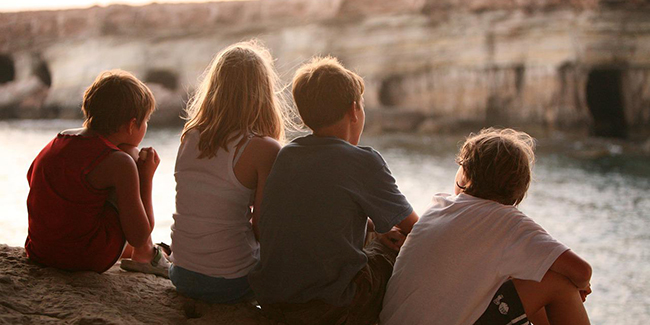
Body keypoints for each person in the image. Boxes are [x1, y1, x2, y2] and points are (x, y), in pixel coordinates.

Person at [248, 56, 419, 324]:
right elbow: (417, 228)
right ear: (354, 110)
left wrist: (375, 228)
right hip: (328, 310)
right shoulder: (363, 161)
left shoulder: (288, 155)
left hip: (272, 302)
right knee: (391, 252)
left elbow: (319, 213)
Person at [380, 128, 592, 325]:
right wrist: (579, 287)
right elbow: (582, 271)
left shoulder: (439, 206)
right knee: (559, 283)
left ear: (465, 173)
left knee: (523, 274)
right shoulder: (509, 224)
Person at [169, 40, 294, 304]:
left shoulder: (190, 136)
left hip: (181, 273)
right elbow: (264, 230)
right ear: (262, 92)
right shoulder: (263, 148)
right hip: (231, 282)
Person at [25, 70, 170, 277]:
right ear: (131, 125)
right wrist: (146, 177)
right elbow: (139, 236)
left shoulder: (59, 140)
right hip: (83, 258)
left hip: (41, 251)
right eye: (146, 121)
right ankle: (148, 256)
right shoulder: (120, 162)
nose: (146, 126)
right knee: (130, 156)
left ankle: (141, 252)